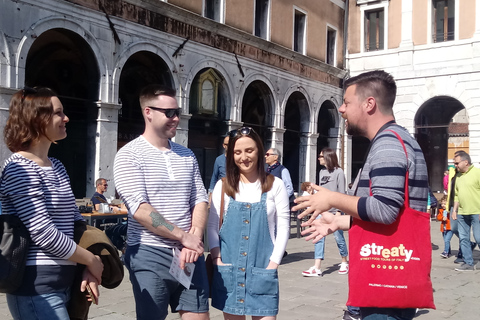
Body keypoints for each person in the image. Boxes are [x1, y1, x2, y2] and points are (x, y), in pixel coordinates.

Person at [293, 70, 430, 320]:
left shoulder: (388, 143)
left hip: (385, 290)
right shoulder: (395, 139)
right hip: (389, 282)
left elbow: (385, 210)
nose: (342, 109)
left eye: (346, 102)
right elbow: (394, 215)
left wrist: (331, 199)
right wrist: (338, 221)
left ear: (369, 104)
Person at [0, 87, 103, 319]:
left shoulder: (57, 166)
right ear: (37, 119)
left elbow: (76, 224)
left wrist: (87, 268)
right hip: (35, 287)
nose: (66, 118)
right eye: (58, 113)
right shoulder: (19, 167)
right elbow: (43, 232)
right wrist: (91, 260)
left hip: (67, 281)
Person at [113, 84, 209, 320]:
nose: (176, 118)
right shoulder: (129, 154)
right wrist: (181, 235)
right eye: (169, 113)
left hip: (189, 254)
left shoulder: (186, 154)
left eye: (177, 112)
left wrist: (193, 238)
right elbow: (141, 210)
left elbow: (200, 198)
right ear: (148, 112)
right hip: (149, 252)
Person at [207, 126, 290, 320]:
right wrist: (216, 258)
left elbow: (284, 226)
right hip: (229, 270)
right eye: (237, 152)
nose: (243, 157)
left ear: (259, 151)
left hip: (262, 269)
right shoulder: (223, 186)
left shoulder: (275, 185)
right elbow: (212, 226)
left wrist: (273, 263)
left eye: (249, 150)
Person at [302, 147, 349, 277]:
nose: (318, 158)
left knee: (338, 237)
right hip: (322, 210)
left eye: (321, 156)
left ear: (328, 157)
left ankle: (344, 261)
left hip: (335, 210)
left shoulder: (339, 172)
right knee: (318, 236)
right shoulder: (322, 172)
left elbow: (341, 193)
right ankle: (317, 267)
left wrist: (339, 211)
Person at [451, 150, 480, 271]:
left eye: (457, 163)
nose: (455, 166)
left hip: (476, 212)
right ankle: (468, 262)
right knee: (464, 238)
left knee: (479, 238)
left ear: (466, 162)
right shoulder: (458, 176)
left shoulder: (477, 173)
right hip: (462, 213)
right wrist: (455, 210)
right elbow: (457, 195)